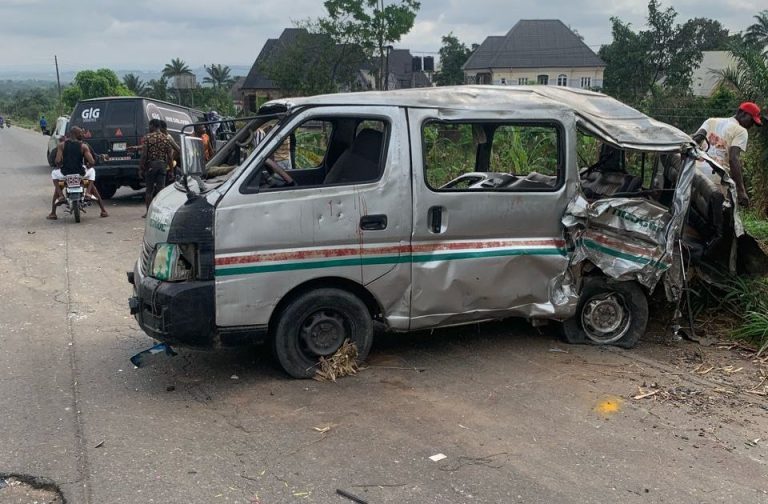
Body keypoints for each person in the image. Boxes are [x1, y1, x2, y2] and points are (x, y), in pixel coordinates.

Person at [692, 102, 762, 208]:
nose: (751, 125)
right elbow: (733, 159)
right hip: (716, 179)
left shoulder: (711, 121)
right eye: (751, 120)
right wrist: (741, 190)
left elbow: (694, 141)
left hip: (695, 172)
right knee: (715, 213)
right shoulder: (741, 131)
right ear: (742, 113)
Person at [47, 126, 96, 220]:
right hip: (80, 173)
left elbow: (57, 161)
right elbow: (92, 161)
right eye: (80, 133)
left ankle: (61, 195)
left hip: (65, 173)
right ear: (76, 134)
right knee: (92, 172)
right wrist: (88, 165)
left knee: (54, 174)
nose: (82, 134)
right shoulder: (83, 146)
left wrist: (60, 164)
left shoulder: (61, 145)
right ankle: (88, 193)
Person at [139, 119, 173, 217]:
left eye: (149, 126)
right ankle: (160, 212)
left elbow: (144, 155)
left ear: (153, 126)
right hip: (162, 166)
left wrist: (141, 168)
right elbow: (170, 156)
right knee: (161, 190)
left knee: (149, 190)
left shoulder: (148, 137)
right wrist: (171, 170)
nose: (149, 128)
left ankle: (149, 213)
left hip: (151, 166)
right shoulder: (166, 138)